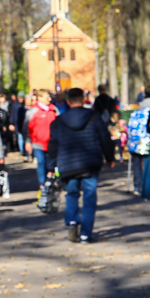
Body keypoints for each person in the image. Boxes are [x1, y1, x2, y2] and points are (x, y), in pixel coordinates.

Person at [46, 88, 115, 243]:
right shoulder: (94, 117)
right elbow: (105, 138)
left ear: (68, 101)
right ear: (83, 100)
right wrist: (109, 157)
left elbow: (53, 145)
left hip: (67, 164)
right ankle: (86, 234)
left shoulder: (58, 121)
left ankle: (72, 221)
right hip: (90, 162)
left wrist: (50, 167)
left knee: (71, 195)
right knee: (89, 197)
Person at [27, 91, 59, 191]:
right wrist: (28, 141)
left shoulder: (53, 110)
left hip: (52, 143)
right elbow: (27, 128)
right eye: (47, 97)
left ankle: (51, 182)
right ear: (40, 98)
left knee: (51, 164)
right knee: (41, 162)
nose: (49, 99)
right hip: (38, 143)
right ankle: (42, 183)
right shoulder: (33, 111)